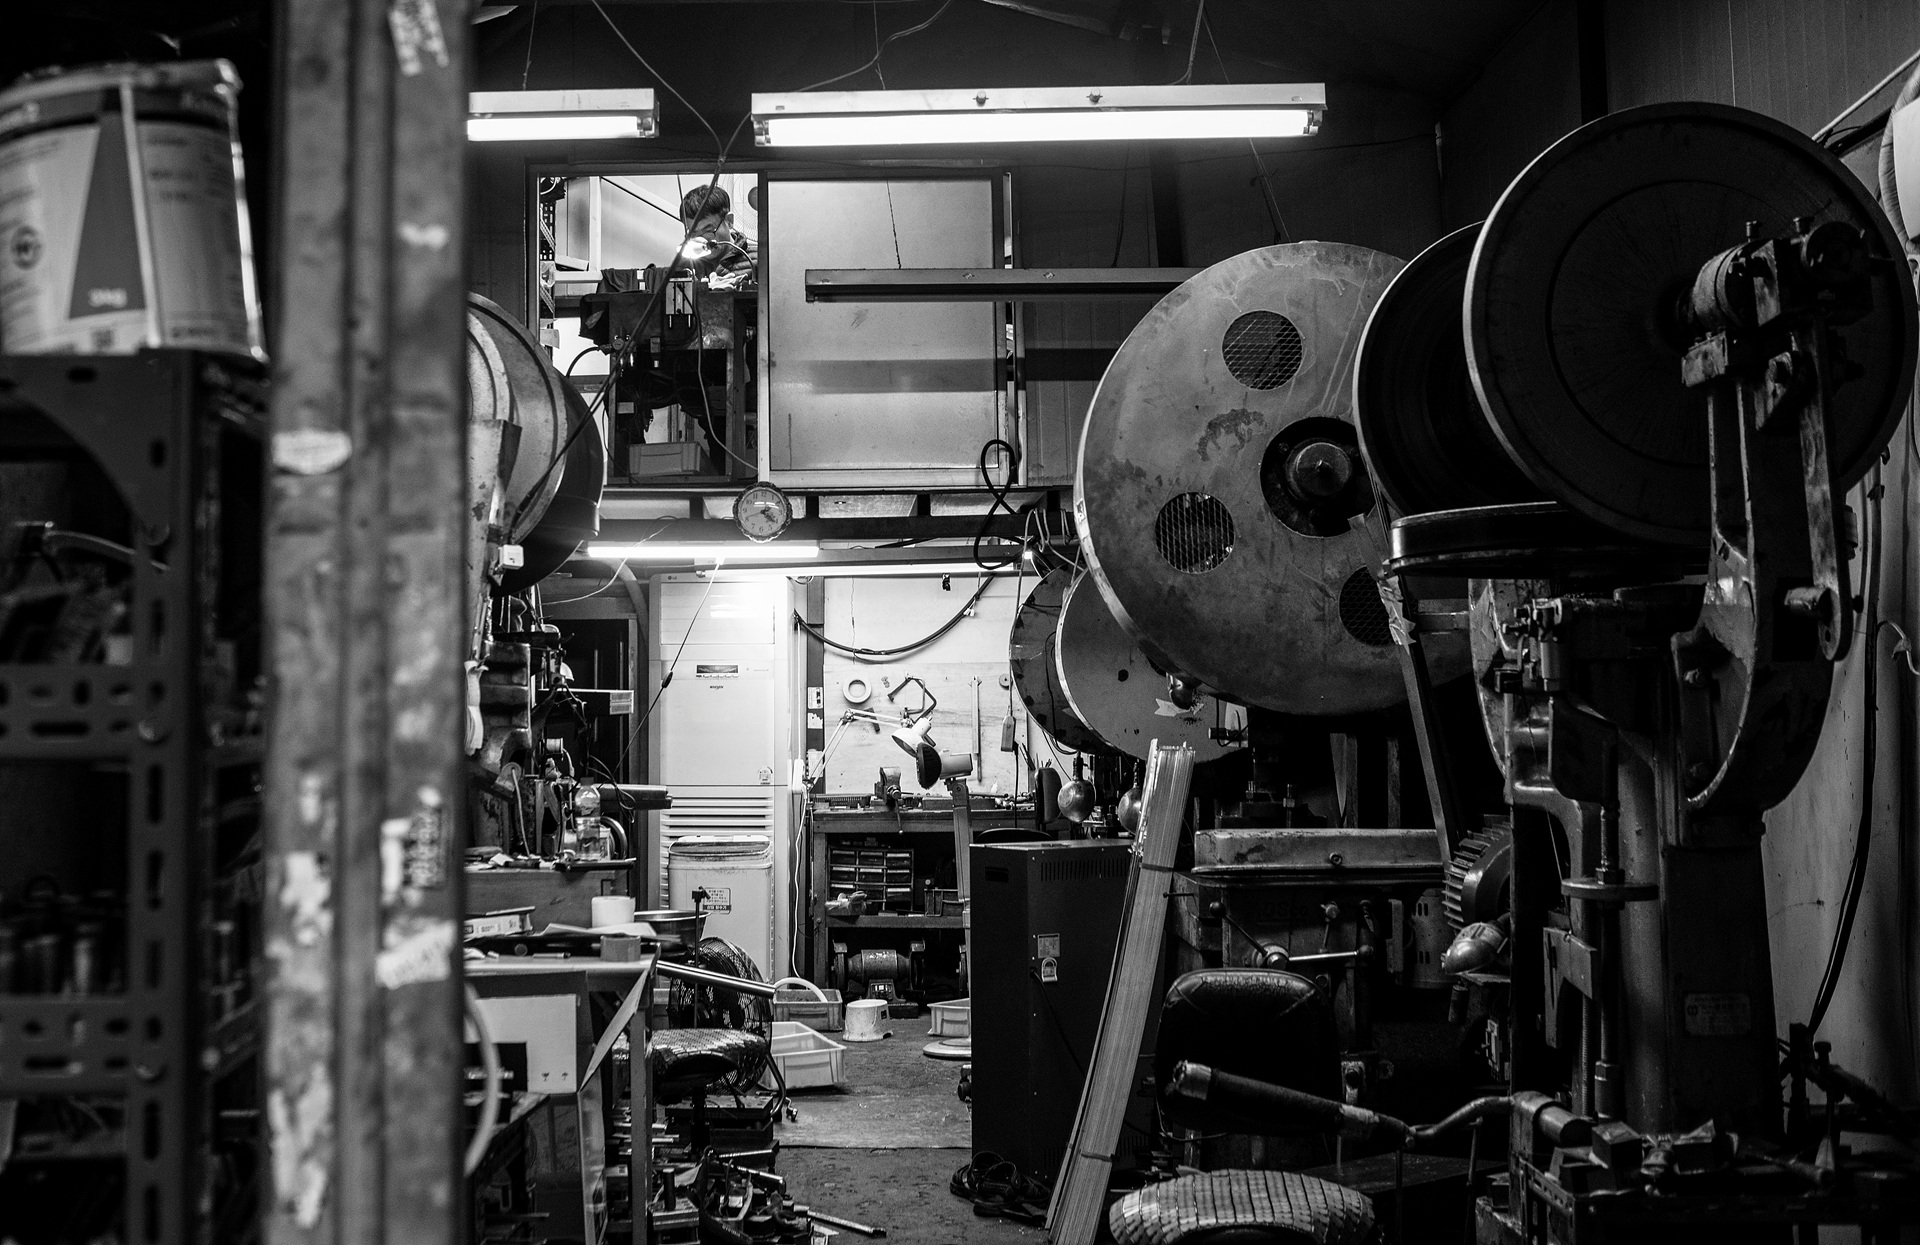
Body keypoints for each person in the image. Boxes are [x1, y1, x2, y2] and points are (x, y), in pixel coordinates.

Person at [676, 184, 757, 290]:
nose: (701, 240)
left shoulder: (758, 261)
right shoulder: (684, 264)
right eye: (693, 233)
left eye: (708, 230)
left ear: (729, 221)